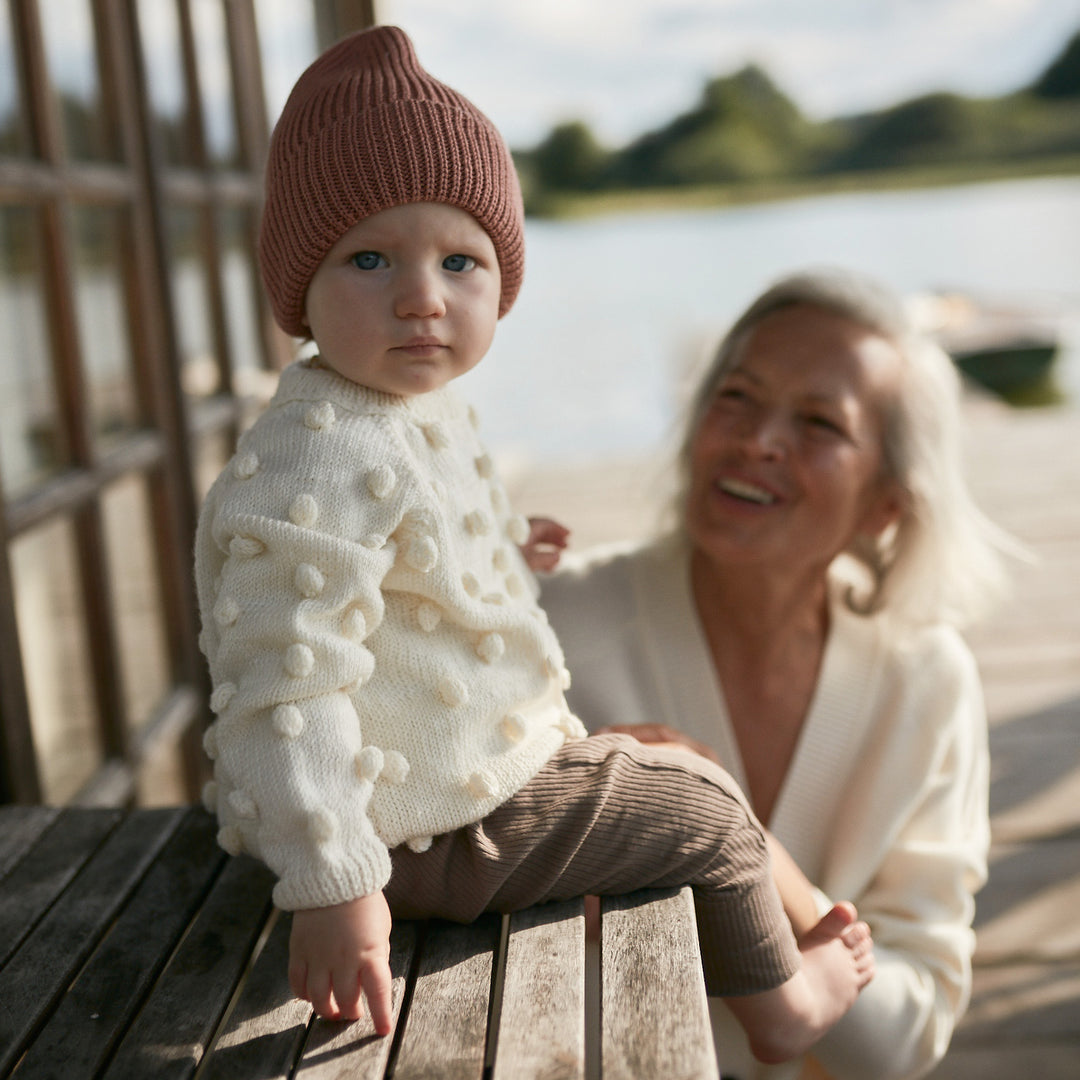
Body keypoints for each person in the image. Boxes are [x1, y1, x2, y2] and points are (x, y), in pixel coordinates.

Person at [193, 27, 874, 1063]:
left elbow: (403, 558)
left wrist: (507, 546)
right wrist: (338, 889)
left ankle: (752, 912)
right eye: (369, 258)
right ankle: (784, 1009)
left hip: (445, 789)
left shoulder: (403, 405)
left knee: (658, 744)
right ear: (300, 287)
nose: (422, 295)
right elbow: (282, 687)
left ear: (498, 282)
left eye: (459, 261)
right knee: (700, 808)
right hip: (407, 837)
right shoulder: (313, 461)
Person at [542, 268, 1011, 1080]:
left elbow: (900, 1040)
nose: (758, 440)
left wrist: (724, 830)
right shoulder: (552, 624)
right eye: (736, 397)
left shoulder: (926, 684)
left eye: (820, 423)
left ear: (885, 505)